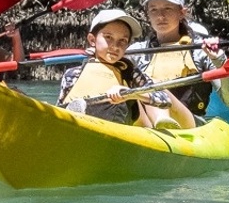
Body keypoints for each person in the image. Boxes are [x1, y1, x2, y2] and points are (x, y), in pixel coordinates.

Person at [56, 8, 195, 128]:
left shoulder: (128, 71)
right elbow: (59, 105)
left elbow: (163, 100)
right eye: (108, 37)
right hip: (82, 117)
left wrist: (131, 93)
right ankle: (79, 113)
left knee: (128, 100)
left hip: (121, 120)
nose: (115, 46)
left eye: (122, 41)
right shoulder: (72, 74)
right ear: (92, 40)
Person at [133, 0, 229, 116]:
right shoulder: (136, 52)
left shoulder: (201, 51)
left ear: (182, 12)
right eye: (153, 9)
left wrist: (220, 62)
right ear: (148, 14)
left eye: (168, 8)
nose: (160, 16)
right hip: (148, 124)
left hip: (191, 123)